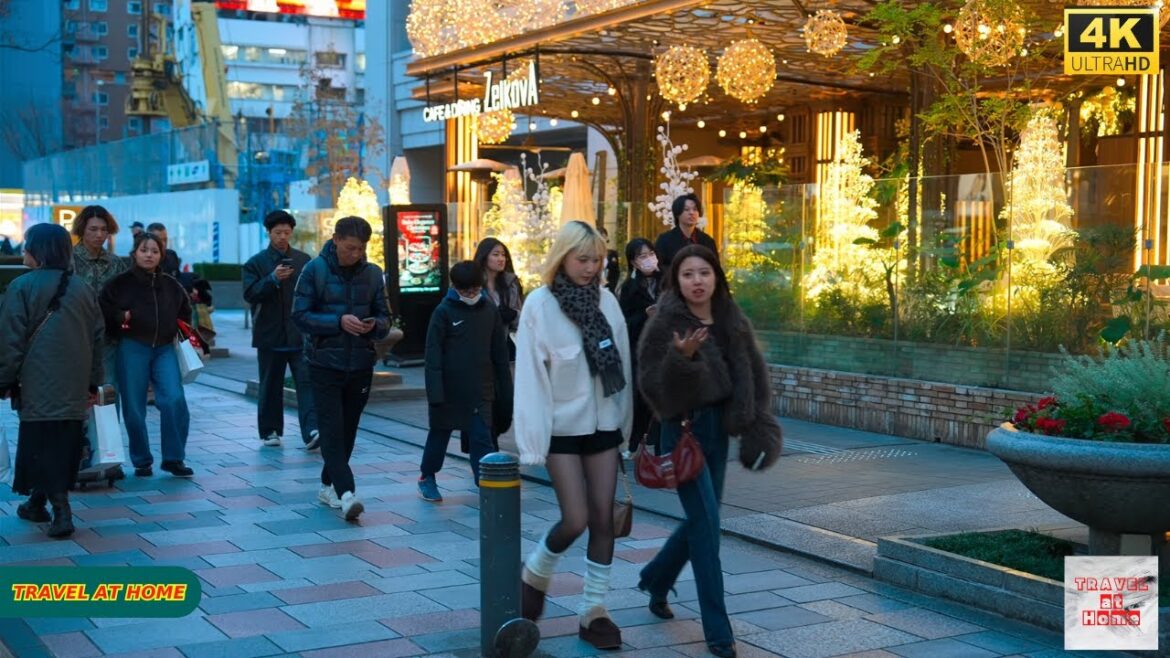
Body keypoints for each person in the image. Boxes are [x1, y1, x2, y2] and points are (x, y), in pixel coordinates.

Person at [635, 244, 782, 658]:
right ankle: (719, 632)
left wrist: (758, 424)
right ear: (676, 281)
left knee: (703, 519)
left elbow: (754, 375)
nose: (697, 281)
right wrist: (681, 360)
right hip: (683, 430)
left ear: (716, 276)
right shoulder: (665, 322)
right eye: (688, 274)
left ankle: (656, 579)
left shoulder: (732, 318)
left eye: (704, 272)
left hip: (718, 431)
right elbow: (653, 389)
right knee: (706, 527)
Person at [514, 220, 632, 651]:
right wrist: (532, 441)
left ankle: (593, 610)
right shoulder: (539, 305)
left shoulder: (608, 301)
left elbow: (624, 368)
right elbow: (530, 378)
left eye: (596, 260)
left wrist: (624, 429)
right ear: (562, 257)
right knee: (575, 519)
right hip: (560, 429)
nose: (590, 268)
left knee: (603, 521)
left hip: (603, 426)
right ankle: (535, 573)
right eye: (582, 259)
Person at [0, 224, 104, 538]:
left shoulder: (21, 287)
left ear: (39, 250)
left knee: (41, 443)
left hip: (35, 382)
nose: (23, 250)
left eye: (27, 245)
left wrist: (4, 379)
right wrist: (93, 382)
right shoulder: (82, 288)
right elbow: (97, 338)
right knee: (63, 442)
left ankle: (62, 512)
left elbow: (10, 340)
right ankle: (36, 503)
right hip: (74, 382)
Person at [292, 216, 391, 521]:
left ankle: (327, 486)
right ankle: (347, 493)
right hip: (324, 363)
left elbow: (386, 318)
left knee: (347, 430)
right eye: (350, 248)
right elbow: (300, 315)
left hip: (360, 364)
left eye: (361, 248)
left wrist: (375, 326)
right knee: (332, 430)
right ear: (335, 240)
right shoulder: (314, 270)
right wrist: (337, 322)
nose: (355, 254)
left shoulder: (373, 274)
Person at [100, 232, 196, 479]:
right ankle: (142, 460)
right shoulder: (119, 283)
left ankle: (174, 458)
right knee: (134, 407)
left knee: (174, 399)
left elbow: (185, 312)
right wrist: (120, 318)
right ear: (134, 253)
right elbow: (104, 310)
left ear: (161, 255)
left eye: (154, 251)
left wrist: (181, 333)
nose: (149, 255)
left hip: (165, 348)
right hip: (132, 346)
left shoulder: (171, 285)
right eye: (144, 250)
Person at [418, 261, 512, 501]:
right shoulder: (443, 312)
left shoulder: (489, 310)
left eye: (475, 290)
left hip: (481, 389)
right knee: (439, 436)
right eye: (465, 291)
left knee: (482, 438)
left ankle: (486, 483)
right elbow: (433, 356)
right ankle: (427, 476)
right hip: (448, 390)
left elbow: (499, 353)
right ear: (455, 287)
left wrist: (504, 387)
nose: (471, 295)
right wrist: (435, 394)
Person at [242, 210, 317, 451]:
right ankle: (270, 431)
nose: (282, 237)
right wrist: (272, 279)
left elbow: (314, 293)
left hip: (299, 334)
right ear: (269, 233)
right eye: (277, 233)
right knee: (270, 385)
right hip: (269, 334)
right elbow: (250, 293)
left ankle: (312, 430)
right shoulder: (256, 263)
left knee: (306, 382)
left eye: (286, 232)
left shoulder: (304, 260)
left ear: (291, 232)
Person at [71, 206, 129, 466]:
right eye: (93, 229)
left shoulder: (116, 264)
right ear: (82, 230)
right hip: (75, 340)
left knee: (108, 394)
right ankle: (78, 455)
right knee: (76, 396)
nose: (99, 235)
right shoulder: (69, 261)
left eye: (104, 230)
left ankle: (109, 456)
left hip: (108, 341)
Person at [617, 238, 661, 456]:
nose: (649, 259)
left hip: (666, 347)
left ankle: (663, 448)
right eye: (643, 256)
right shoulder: (628, 288)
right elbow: (624, 324)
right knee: (641, 398)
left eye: (651, 254)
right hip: (640, 351)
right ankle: (634, 443)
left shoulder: (667, 281)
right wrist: (645, 315)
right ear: (633, 262)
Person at [653, 193, 719, 271]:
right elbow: (659, 268)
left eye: (695, 209)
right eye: (686, 209)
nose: (691, 213)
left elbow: (716, 269)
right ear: (677, 214)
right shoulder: (664, 240)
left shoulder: (708, 241)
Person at [596, 226, 621, 293]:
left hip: (609, 288)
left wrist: (611, 287)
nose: (602, 240)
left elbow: (616, 272)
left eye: (604, 237)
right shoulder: (592, 255)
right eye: (599, 237)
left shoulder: (612, 254)